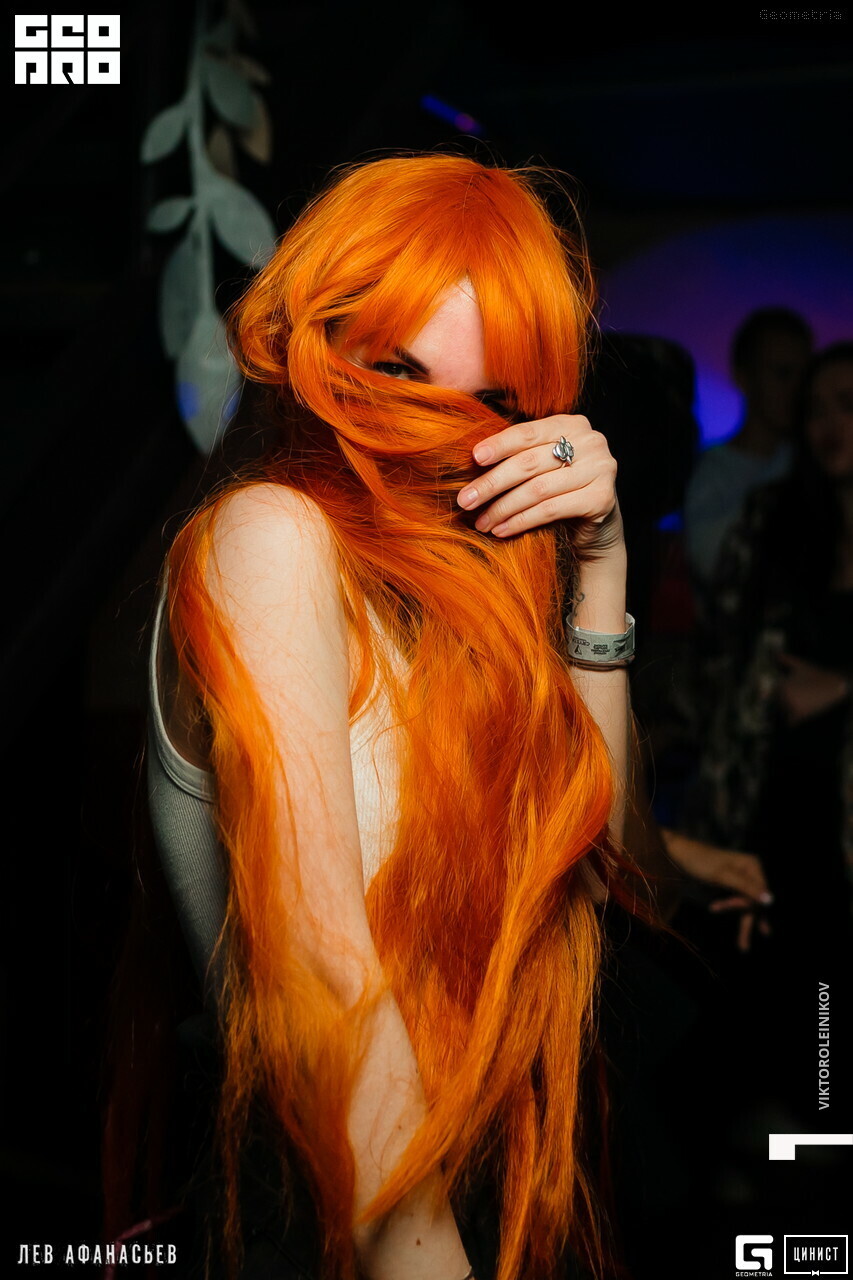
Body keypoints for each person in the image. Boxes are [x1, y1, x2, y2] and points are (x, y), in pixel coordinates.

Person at [104, 155, 665, 1280]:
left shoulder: (477, 592)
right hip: (329, 1204)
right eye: (396, 372)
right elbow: (328, 980)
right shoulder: (267, 538)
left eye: (487, 404)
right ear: (319, 349)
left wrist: (598, 569)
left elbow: (606, 878)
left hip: (491, 1181)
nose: (430, 432)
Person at [683, 306, 813, 593]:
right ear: (744, 377)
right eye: (782, 373)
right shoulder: (710, 471)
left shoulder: (813, 463)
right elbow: (713, 564)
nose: (797, 390)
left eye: (804, 376)